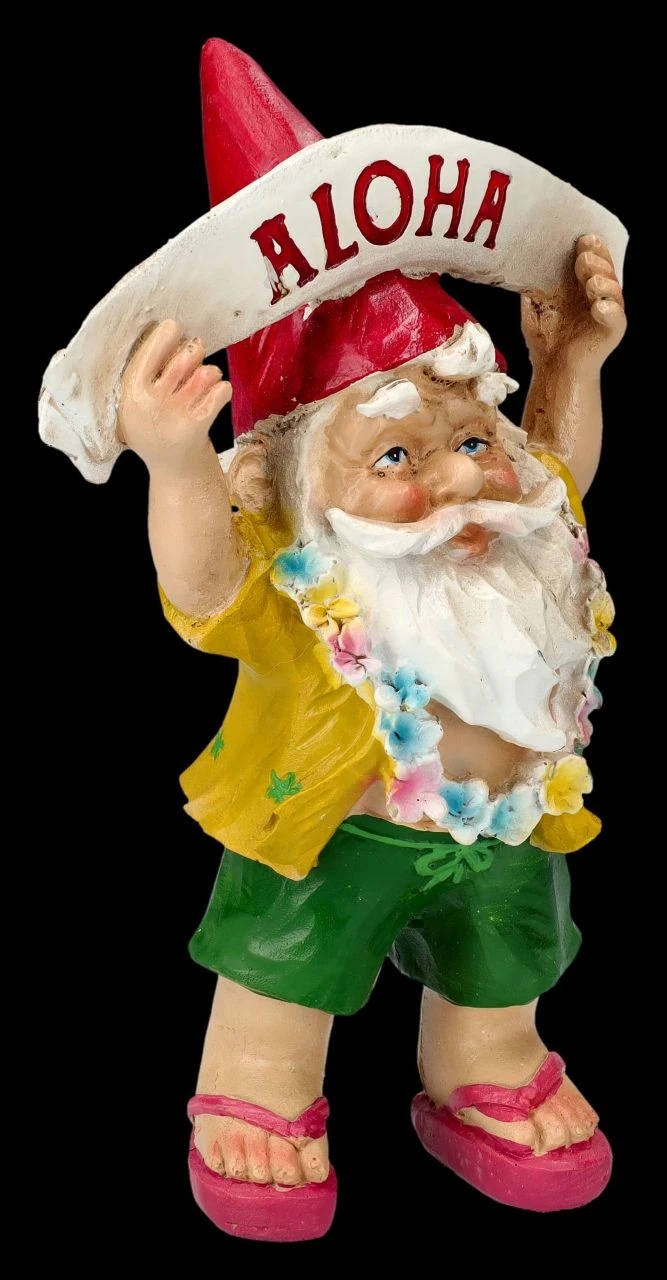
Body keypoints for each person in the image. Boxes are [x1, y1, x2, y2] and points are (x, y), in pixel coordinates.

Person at [116, 41, 626, 1240]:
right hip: (330, 827)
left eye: (471, 439)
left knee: (504, 957)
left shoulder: (512, 522)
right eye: (396, 455)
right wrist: (178, 464)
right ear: (297, 488)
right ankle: (259, 1083)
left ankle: (484, 1062)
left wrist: (568, 362)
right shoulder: (300, 575)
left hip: (501, 823)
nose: (459, 479)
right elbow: (199, 586)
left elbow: (557, 470)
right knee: (285, 963)